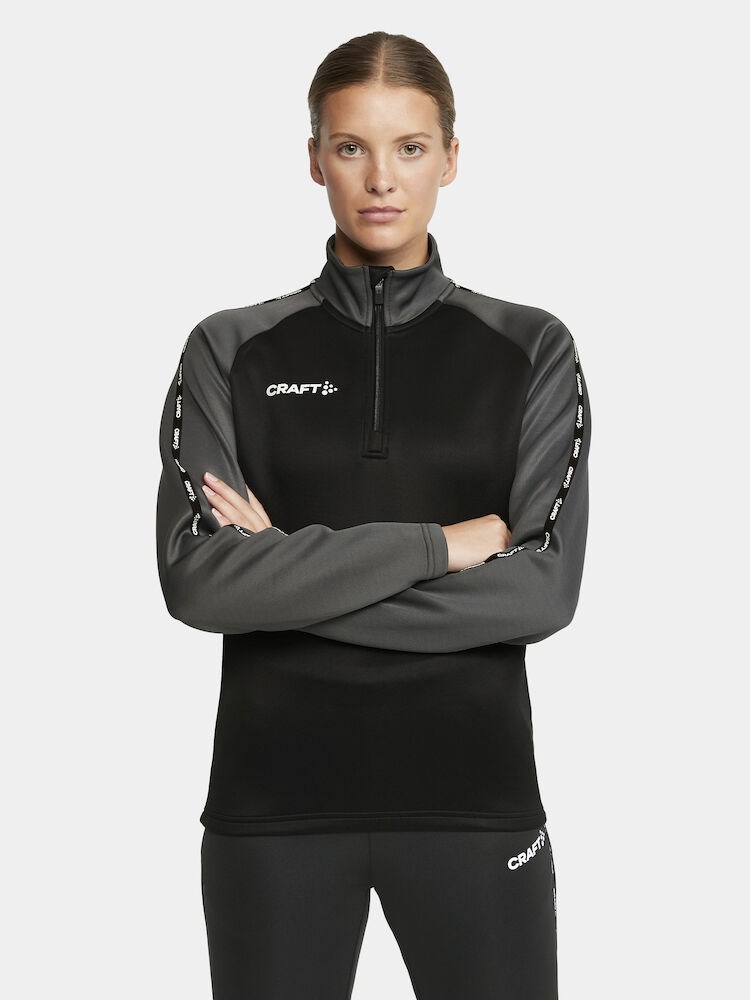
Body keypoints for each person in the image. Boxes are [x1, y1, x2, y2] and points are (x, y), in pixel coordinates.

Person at [156, 29, 591, 1000]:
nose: (381, 178)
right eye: (351, 146)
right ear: (315, 158)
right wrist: (439, 546)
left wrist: (283, 578)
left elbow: (539, 593)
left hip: (474, 804)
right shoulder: (229, 349)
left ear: (451, 158)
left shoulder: (528, 349)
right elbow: (198, 582)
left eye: (410, 147)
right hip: (272, 810)